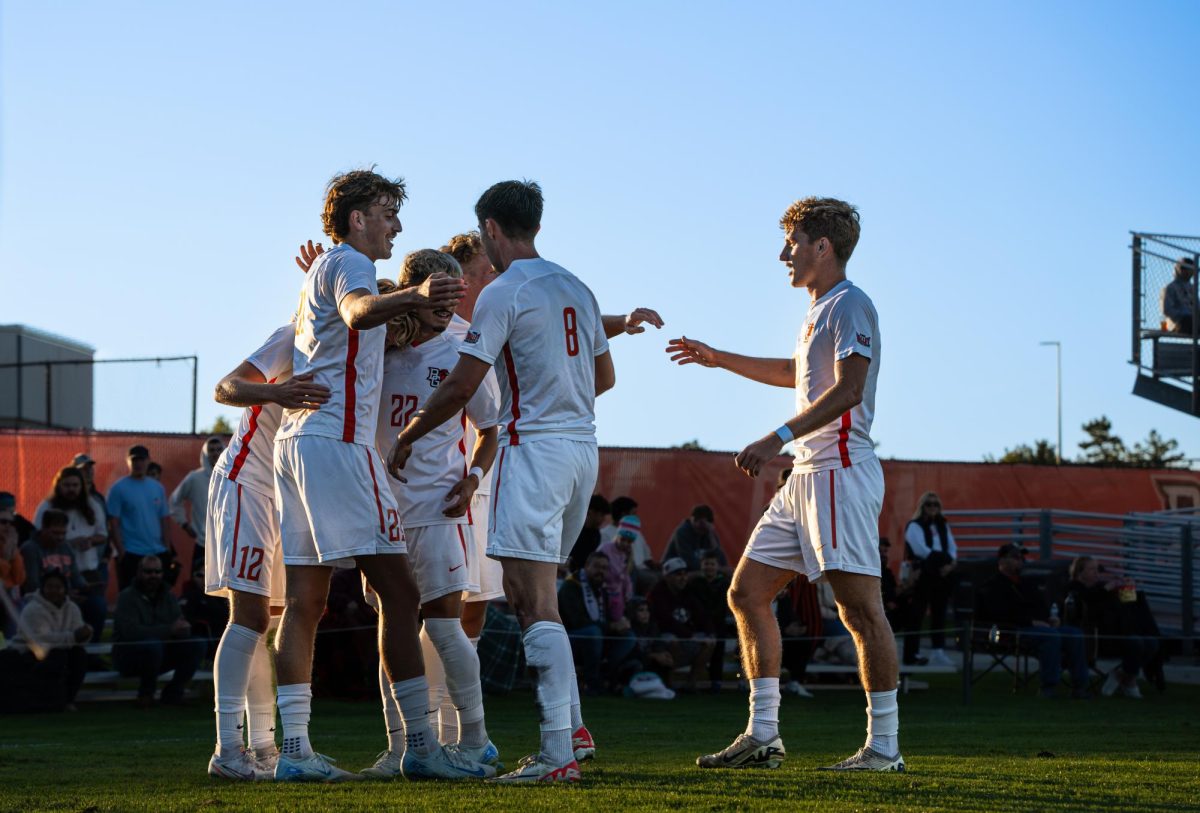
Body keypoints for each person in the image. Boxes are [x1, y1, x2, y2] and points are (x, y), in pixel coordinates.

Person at [389, 180, 614, 784]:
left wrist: (408, 434)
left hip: (534, 449)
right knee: (543, 595)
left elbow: (461, 387)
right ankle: (570, 735)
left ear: (489, 227)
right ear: (534, 222)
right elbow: (605, 378)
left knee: (530, 599)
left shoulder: (503, 291)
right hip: (582, 449)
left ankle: (555, 754)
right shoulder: (578, 286)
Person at [669, 197, 901, 771]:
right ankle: (763, 734)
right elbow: (793, 374)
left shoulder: (851, 304)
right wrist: (717, 357)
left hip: (838, 473)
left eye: (792, 243)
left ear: (823, 247)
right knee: (745, 593)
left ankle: (885, 748)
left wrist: (774, 436)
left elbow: (849, 391)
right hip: (806, 476)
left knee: (859, 610)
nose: (783, 255)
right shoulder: (819, 311)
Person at [272, 169, 487, 782]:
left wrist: (411, 306)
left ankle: (295, 754)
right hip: (339, 445)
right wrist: (416, 294)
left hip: (300, 445)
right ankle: (421, 746)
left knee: (306, 604)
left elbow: (367, 324)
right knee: (401, 594)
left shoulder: (329, 267)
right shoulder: (352, 266)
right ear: (358, 217)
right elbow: (361, 310)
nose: (396, 225)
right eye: (388, 212)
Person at [365, 250, 502, 779]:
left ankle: (475, 740)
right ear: (414, 293)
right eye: (438, 292)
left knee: (445, 628)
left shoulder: (464, 351)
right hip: (382, 510)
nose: (450, 303)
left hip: (440, 506)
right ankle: (401, 745)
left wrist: (472, 478)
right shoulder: (378, 345)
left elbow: (490, 429)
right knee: (391, 626)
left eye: (454, 292)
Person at [204, 320, 327, 780]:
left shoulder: (356, 351)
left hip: (282, 493)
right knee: (249, 618)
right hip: (246, 482)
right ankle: (228, 750)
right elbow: (226, 387)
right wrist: (278, 393)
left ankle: (261, 748)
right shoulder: (295, 335)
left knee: (269, 621)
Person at [975, 544, 1089, 699]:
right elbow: (996, 615)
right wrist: (1031, 622)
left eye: (1021, 558)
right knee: (1050, 636)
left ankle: (1080, 687)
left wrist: (1049, 619)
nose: (1020, 561)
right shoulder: (992, 586)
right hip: (1007, 632)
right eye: (1015, 557)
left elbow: (1040, 607)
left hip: (1037, 629)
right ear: (1001, 560)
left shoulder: (1026, 584)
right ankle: (1048, 687)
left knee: (1074, 634)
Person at [112, 555, 206, 707]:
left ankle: (174, 693)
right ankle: (146, 694)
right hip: (129, 656)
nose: (153, 576)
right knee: (152, 645)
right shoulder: (127, 597)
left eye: (157, 572)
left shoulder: (168, 596)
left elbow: (178, 622)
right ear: (139, 572)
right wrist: (169, 630)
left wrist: (184, 629)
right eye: (148, 572)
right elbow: (130, 632)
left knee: (196, 643)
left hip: (161, 652)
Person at [1065, 556, 1162, 698]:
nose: (1096, 573)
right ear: (1080, 573)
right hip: (1096, 639)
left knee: (1151, 642)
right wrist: (1106, 589)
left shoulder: (1101, 587)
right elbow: (1088, 602)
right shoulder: (1075, 588)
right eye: (1092, 569)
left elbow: (1128, 606)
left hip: (1119, 632)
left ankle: (1123, 676)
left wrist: (1128, 589)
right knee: (1136, 642)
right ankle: (1129, 682)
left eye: (1097, 569)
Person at [34, 467, 109, 641]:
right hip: (57, 574)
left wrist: (90, 541)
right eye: (67, 485)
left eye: (75, 485)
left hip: (88, 572)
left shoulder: (92, 505)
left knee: (97, 608)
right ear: (58, 486)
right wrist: (67, 544)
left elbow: (103, 535)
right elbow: (38, 537)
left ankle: (92, 653)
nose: (71, 490)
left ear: (81, 486)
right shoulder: (47, 507)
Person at [7, 569, 91, 711]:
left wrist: (85, 634)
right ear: (42, 588)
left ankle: (69, 699)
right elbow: (40, 639)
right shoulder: (33, 609)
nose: (53, 591)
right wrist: (73, 637)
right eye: (49, 587)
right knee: (57, 656)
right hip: (28, 654)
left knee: (79, 654)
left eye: (58, 587)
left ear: (65, 589)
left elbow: (78, 632)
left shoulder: (72, 608)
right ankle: (51, 701)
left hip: (60, 651)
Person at [107, 445, 174, 590]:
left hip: (156, 551)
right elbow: (113, 522)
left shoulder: (157, 487)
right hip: (131, 552)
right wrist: (121, 551)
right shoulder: (118, 488)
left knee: (160, 595)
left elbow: (164, 518)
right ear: (128, 461)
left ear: (148, 461)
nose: (138, 463)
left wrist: (167, 548)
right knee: (130, 596)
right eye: (134, 460)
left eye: (141, 460)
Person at [902, 492, 957, 667]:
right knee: (916, 613)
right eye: (929, 504)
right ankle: (912, 653)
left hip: (941, 572)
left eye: (936, 504)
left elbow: (952, 547)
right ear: (922, 506)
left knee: (939, 612)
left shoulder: (943, 525)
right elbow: (920, 549)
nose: (933, 507)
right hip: (924, 572)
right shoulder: (914, 525)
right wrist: (943, 559)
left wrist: (950, 563)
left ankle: (938, 651)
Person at [647, 557, 715, 693]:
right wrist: (690, 636)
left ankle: (692, 684)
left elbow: (701, 615)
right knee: (672, 640)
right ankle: (669, 682)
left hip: (687, 636)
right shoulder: (657, 593)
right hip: (661, 639)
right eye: (678, 574)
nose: (683, 578)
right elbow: (665, 621)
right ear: (667, 576)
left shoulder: (689, 591)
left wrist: (709, 632)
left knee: (710, 642)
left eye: (684, 574)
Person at [170, 436, 224, 561]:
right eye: (211, 450)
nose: (215, 453)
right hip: (203, 543)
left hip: (228, 544)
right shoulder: (195, 478)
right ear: (205, 454)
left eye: (219, 449)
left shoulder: (234, 477)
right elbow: (174, 501)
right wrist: (184, 524)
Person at [686, 550, 732, 691]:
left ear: (717, 566)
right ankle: (694, 681)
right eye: (706, 564)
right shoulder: (695, 584)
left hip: (719, 623)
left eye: (712, 564)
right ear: (701, 565)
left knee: (718, 652)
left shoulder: (724, 584)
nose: (709, 567)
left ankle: (716, 682)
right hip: (700, 625)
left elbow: (724, 605)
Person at [596, 515, 640, 621]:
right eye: (623, 539)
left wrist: (628, 591)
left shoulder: (627, 554)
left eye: (629, 542)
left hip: (618, 595)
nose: (625, 544)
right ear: (618, 535)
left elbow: (625, 577)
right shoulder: (605, 549)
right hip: (603, 592)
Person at [665, 505, 728, 572]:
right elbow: (688, 561)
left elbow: (721, 560)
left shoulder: (709, 533)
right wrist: (713, 568)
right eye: (700, 523)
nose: (701, 530)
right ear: (692, 520)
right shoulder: (682, 533)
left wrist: (711, 535)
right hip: (678, 570)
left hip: (702, 569)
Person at [0, 506, 27, 638]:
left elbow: (19, 579)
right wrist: (5, 558)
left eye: (11, 523)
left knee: (20, 606)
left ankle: (13, 650)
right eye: (3, 522)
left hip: (10, 597)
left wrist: (14, 554)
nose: (7, 526)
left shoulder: (10, 544)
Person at [568, 494, 611, 573]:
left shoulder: (597, 535)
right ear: (591, 512)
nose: (604, 519)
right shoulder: (573, 529)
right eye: (601, 515)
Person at [1161, 256, 1197, 334]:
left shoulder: (1192, 288)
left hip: (1193, 320)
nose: (1190, 273)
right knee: (1189, 320)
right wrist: (1183, 314)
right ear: (1180, 270)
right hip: (1178, 322)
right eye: (1185, 269)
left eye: (1192, 270)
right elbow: (1167, 309)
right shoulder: (1170, 287)